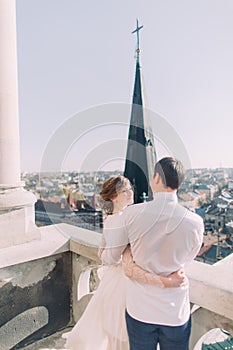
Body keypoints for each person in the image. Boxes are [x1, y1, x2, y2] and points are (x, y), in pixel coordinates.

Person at [63, 175, 186, 350]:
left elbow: (107, 253)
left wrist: (105, 251)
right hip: (122, 279)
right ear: (114, 196)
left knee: (115, 327)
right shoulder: (121, 219)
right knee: (122, 328)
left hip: (119, 276)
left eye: (130, 189)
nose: (130, 193)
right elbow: (111, 258)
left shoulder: (115, 217)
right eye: (124, 191)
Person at [101, 158, 204, 350]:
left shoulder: (132, 215)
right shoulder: (195, 222)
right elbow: (187, 259)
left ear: (156, 177)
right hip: (174, 310)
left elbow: (111, 256)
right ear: (179, 183)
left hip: (141, 308)